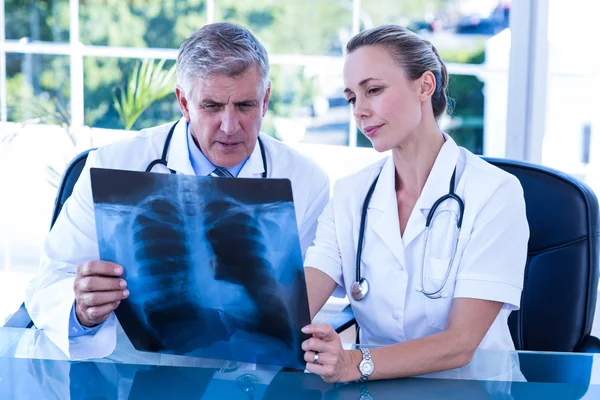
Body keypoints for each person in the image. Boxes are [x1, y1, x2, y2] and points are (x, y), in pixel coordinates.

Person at [24, 22, 330, 360]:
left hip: (258, 375)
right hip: (134, 373)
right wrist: (81, 308)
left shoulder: (306, 181)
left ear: (266, 99)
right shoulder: (111, 166)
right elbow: (48, 282)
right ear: (184, 102)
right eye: (211, 106)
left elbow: (304, 308)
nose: (230, 127)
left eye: (245, 105)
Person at [301, 24, 529, 383]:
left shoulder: (495, 192)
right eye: (351, 98)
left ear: (425, 86)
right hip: (379, 391)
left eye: (373, 90)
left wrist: (352, 363)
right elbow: (297, 303)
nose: (359, 110)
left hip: (472, 391)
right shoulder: (349, 195)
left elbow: (460, 344)